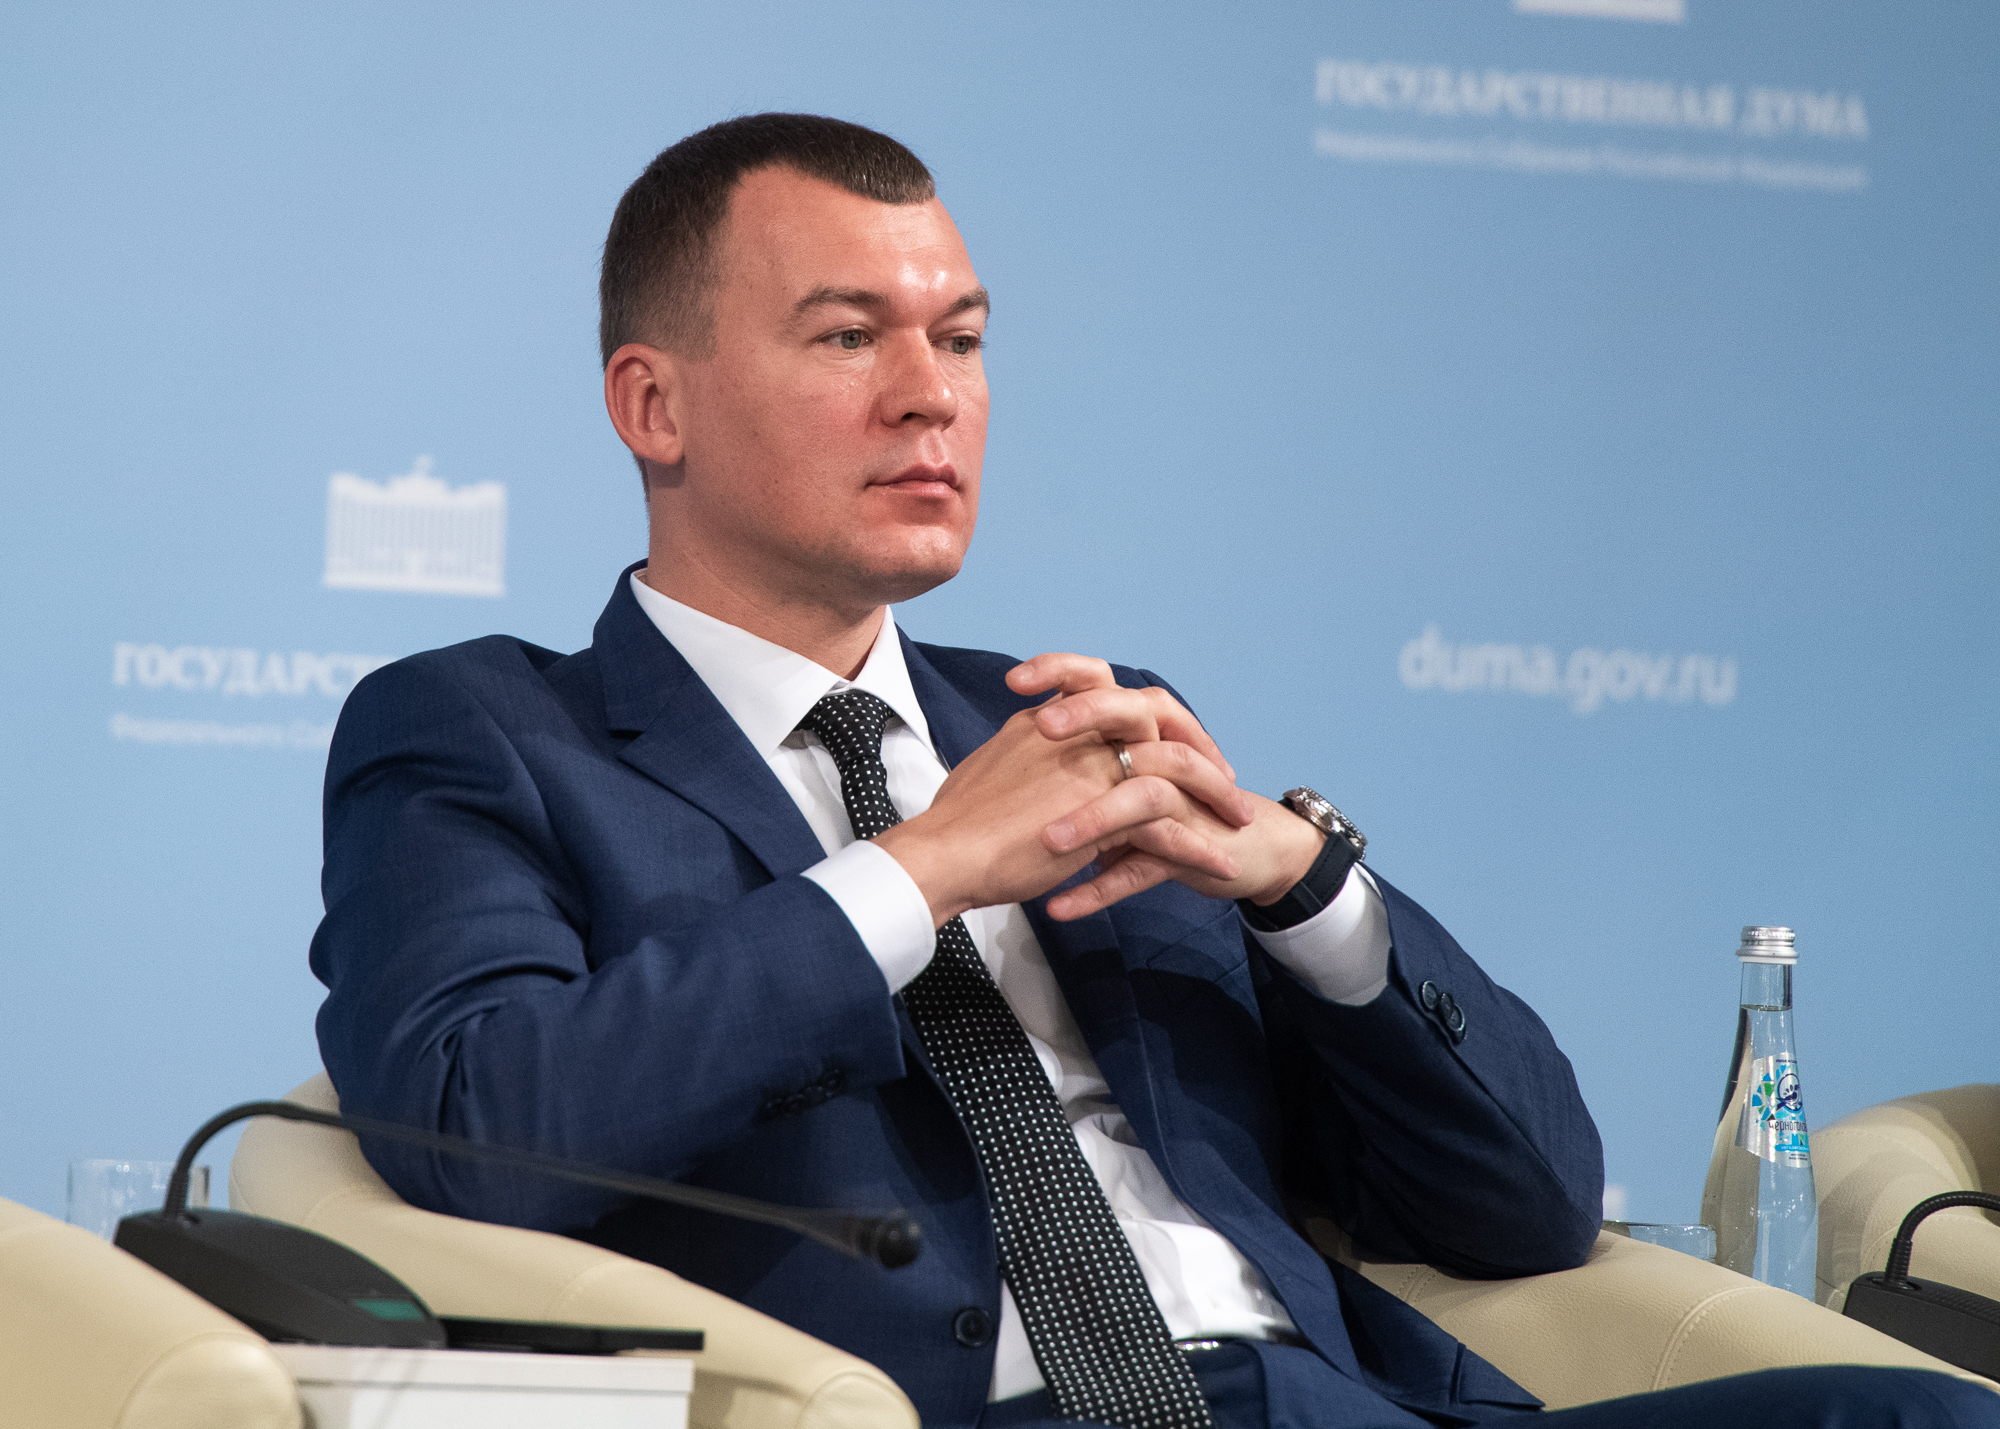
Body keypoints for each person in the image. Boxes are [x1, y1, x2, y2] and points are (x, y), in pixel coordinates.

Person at [311, 114, 1995, 1429]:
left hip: (1327, 1400)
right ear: (653, 405)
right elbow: (480, 1128)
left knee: (1913, 1410)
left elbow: (1535, 1207)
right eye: (848, 338)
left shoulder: (1087, 724)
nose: (930, 398)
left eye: (963, 338)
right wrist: (920, 870)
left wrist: (1309, 898)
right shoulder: (486, 733)